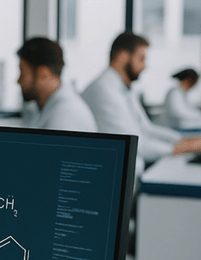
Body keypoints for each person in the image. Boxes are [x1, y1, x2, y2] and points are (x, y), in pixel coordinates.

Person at [81, 31, 201, 172]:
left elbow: (145, 129)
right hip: (116, 174)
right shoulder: (103, 90)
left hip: (135, 167)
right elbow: (134, 145)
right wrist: (181, 147)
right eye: (141, 59)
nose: (145, 66)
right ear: (123, 57)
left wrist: (184, 140)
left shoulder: (124, 88)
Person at [15, 37, 97, 132]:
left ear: (43, 74)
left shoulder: (63, 116)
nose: (18, 81)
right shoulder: (55, 106)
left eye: (22, 73)